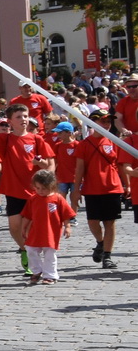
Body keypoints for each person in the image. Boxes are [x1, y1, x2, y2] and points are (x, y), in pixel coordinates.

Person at [0, 105, 55, 273]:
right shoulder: (5, 139)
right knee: (15, 227)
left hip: (35, 191)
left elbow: (49, 164)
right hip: (13, 189)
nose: (23, 119)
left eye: (25, 116)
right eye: (19, 116)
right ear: (10, 121)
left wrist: (40, 164)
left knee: (32, 227)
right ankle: (25, 249)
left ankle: (34, 258)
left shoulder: (37, 139)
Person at [71, 108, 123, 269]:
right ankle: (100, 242)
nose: (107, 125)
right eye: (103, 121)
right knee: (93, 222)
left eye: (109, 121)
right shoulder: (84, 144)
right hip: (92, 188)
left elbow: (120, 165)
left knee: (110, 222)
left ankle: (107, 255)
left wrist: (126, 184)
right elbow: (79, 169)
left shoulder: (115, 141)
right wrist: (76, 189)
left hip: (112, 187)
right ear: (94, 122)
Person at [17, 169, 73, 286]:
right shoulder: (33, 199)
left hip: (51, 232)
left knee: (49, 254)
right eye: (37, 188)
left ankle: (50, 275)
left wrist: (67, 226)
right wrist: (23, 227)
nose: (40, 191)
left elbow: (66, 214)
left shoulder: (57, 199)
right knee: (31, 250)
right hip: (35, 231)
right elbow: (27, 215)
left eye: (43, 188)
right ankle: (36, 271)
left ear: (51, 186)